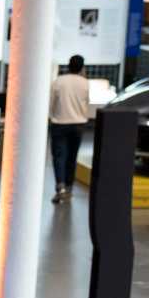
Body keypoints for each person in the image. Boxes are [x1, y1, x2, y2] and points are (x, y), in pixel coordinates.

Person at [49, 54, 96, 203]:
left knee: (59, 156)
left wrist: (53, 116)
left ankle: (60, 187)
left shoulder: (58, 81)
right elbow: (86, 102)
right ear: (82, 68)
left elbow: (52, 103)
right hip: (78, 124)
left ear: (68, 65)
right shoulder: (85, 83)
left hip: (59, 123)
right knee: (72, 156)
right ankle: (69, 187)